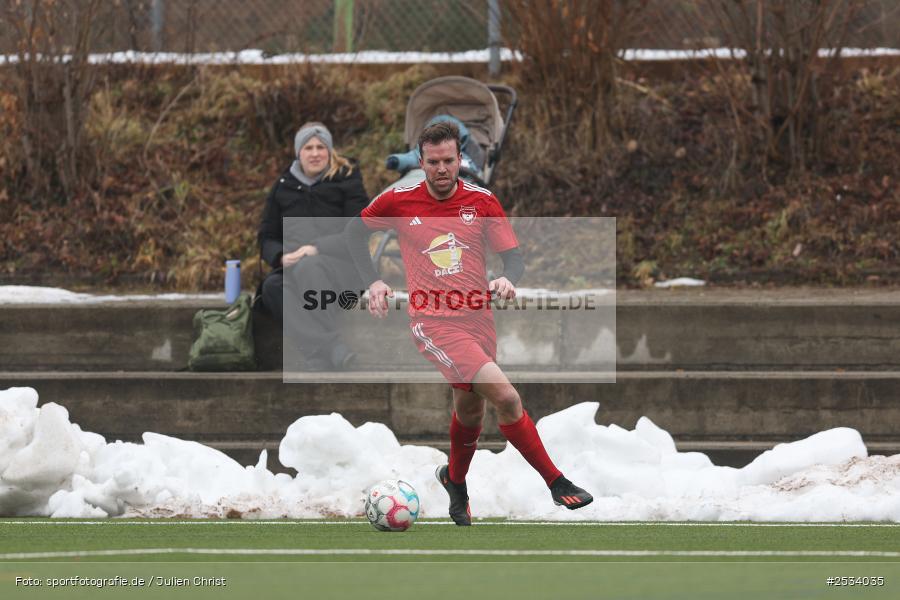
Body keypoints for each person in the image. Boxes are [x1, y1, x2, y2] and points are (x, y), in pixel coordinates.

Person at [345, 121, 593, 525]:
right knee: (508, 398)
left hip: (479, 318)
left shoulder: (482, 201)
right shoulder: (399, 200)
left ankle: (454, 481)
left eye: (449, 161)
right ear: (421, 163)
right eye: (433, 162)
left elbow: (514, 258)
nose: (442, 169)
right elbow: (353, 234)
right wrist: (371, 280)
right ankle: (556, 482)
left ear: (460, 159)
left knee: (471, 413)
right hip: (434, 321)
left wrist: (508, 278)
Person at [258, 122, 369, 370]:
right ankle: (328, 349)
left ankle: (320, 352)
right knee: (272, 286)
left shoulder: (347, 179)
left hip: (344, 268)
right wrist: (279, 257)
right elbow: (266, 235)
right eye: (308, 147)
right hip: (295, 267)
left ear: (329, 151)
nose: (315, 153)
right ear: (299, 152)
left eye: (321, 147)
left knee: (310, 267)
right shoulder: (283, 186)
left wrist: (317, 247)